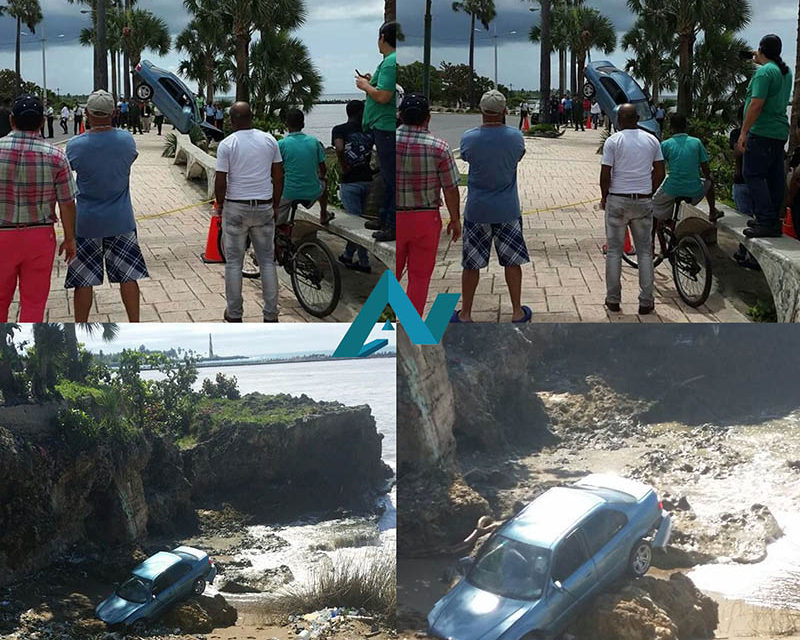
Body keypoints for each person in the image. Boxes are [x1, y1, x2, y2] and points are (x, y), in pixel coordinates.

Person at [64, 90, 146, 323]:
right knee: (128, 277)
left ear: (87, 113)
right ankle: (134, 323)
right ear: (113, 112)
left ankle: (81, 326)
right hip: (121, 220)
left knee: (83, 280)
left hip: (87, 221)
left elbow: (68, 174)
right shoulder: (126, 140)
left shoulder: (75, 145)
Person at [452, 90, 531, 324]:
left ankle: (465, 313)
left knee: (472, 264)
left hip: (478, 210)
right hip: (507, 209)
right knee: (513, 261)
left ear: (481, 110)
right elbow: (518, 157)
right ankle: (516, 311)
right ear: (505, 111)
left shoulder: (469, 138)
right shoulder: (515, 137)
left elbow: (466, 158)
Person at [0, 94, 77, 322]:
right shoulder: (56, 156)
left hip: (2, 236)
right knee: (33, 304)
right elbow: (67, 203)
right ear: (43, 122)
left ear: (12, 120)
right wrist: (70, 238)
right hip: (39, 236)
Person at [215, 101, 283, 323]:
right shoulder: (269, 140)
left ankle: (234, 314)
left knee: (234, 263)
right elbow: (279, 175)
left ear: (233, 120)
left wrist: (220, 206)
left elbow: (221, 180)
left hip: (236, 206)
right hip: (263, 205)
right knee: (267, 262)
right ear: (251, 117)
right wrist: (275, 204)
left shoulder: (227, 144)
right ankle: (271, 314)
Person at [396, 93, 462, 315]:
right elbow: (451, 188)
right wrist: (455, 219)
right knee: (419, 277)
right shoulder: (439, 147)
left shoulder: (386, 143)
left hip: (393, 218)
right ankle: (408, 328)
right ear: (428, 117)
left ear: (400, 115)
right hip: (425, 218)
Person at [600, 103, 665, 315]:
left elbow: (605, 174)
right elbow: (660, 172)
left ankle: (613, 300)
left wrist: (604, 197)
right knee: (645, 253)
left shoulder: (613, 141)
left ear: (619, 120)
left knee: (614, 252)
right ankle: (646, 302)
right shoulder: (652, 140)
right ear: (637, 118)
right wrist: (649, 192)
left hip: (617, 200)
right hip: (643, 202)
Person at [737, 34, 793, 238]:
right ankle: (771, 220)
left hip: (762, 131)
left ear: (761, 50)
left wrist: (744, 132)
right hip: (779, 132)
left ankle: (764, 219)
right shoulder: (784, 71)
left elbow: (756, 104)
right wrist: (760, 56)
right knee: (774, 176)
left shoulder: (764, 74)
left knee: (753, 174)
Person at [357, 21, 396, 242]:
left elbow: (383, 96)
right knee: (386, 174)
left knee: (390, 177)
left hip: (386, 128)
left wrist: (365, 86)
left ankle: (392, 224)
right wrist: (371, 82)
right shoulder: (388, 63)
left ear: (383, 37)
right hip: (381, 127)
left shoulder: (391, 62)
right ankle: (383, 217)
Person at [652, 113, 719, 223]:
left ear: (670, 127)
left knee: (653, 206)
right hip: (694, 190)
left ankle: (653, 235)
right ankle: (712, 211)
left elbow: (659, 170)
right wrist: (708, 177)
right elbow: (706, 169)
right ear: (686, 126)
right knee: (709, 181)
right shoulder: (696, 142)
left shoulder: (665, 144)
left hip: (672, 189)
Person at [332, 100, 374, 273]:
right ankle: (348, 256)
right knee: (361, 222)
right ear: (360, 112)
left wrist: (343, 165)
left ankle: (364, 262)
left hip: (350, 182)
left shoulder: (339, 129)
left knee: (356, 225)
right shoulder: (369, 129)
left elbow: (339, 147)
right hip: (368, 180)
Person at [275, 108, 330, 226]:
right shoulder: (314, 141)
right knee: (324, 182)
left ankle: (279, 231)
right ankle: (324, 214)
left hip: (289, 193)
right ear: (303, 124)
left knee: (276, 222)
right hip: (312, 192)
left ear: (286, 124)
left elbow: (275, 172)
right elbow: (323, 170)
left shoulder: (281, 144)